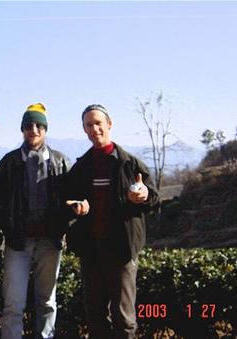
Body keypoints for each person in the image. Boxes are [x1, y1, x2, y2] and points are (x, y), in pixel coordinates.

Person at [65, 104, 159, 338]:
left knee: (124, 319)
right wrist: (75, 207)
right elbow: (66, 202)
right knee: (95, 316)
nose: (94, 128)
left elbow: (155, 198)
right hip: (91, 250)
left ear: (110, 124)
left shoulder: (130, 164)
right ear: (84, 130)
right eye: (89, 125)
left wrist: (143, 195)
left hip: (122, 250)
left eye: (98, 123)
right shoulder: (81, 167)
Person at [0, 103, 72, 339]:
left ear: (45, 129)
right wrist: (7, 227)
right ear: (22, 130)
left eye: (38, 125)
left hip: (50, 241)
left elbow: (72, 198)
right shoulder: (9, 163)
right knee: (13, 305)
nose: (33, 129)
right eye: (28, 125)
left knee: (47, 301)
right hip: (18, 242)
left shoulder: (60, 162)